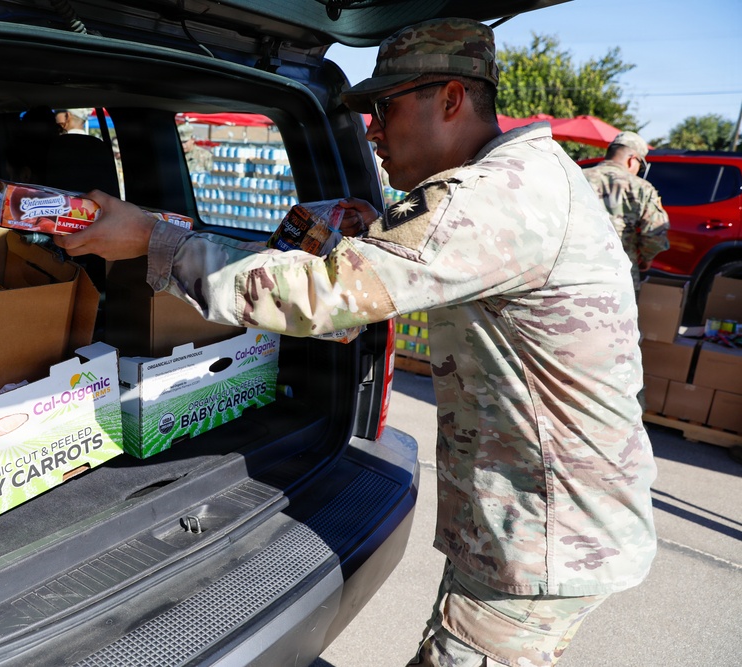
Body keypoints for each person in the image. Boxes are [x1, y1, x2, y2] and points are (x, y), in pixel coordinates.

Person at [55, 17, 657, 667]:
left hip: (543, 533)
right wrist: (374, 231)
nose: (371, 130)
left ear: (451, 99)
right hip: (552, 512)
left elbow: (319, 295)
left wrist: (152, 239)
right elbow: (420, 264)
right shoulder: (527, 178)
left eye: (385, 107)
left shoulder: (491, 195)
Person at [583, 130, 670, 293]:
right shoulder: (641, 187)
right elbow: (656, 232)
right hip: (617, 276)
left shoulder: (576, 177)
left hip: (571, 272)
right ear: (632, 160)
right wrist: (646, 258)